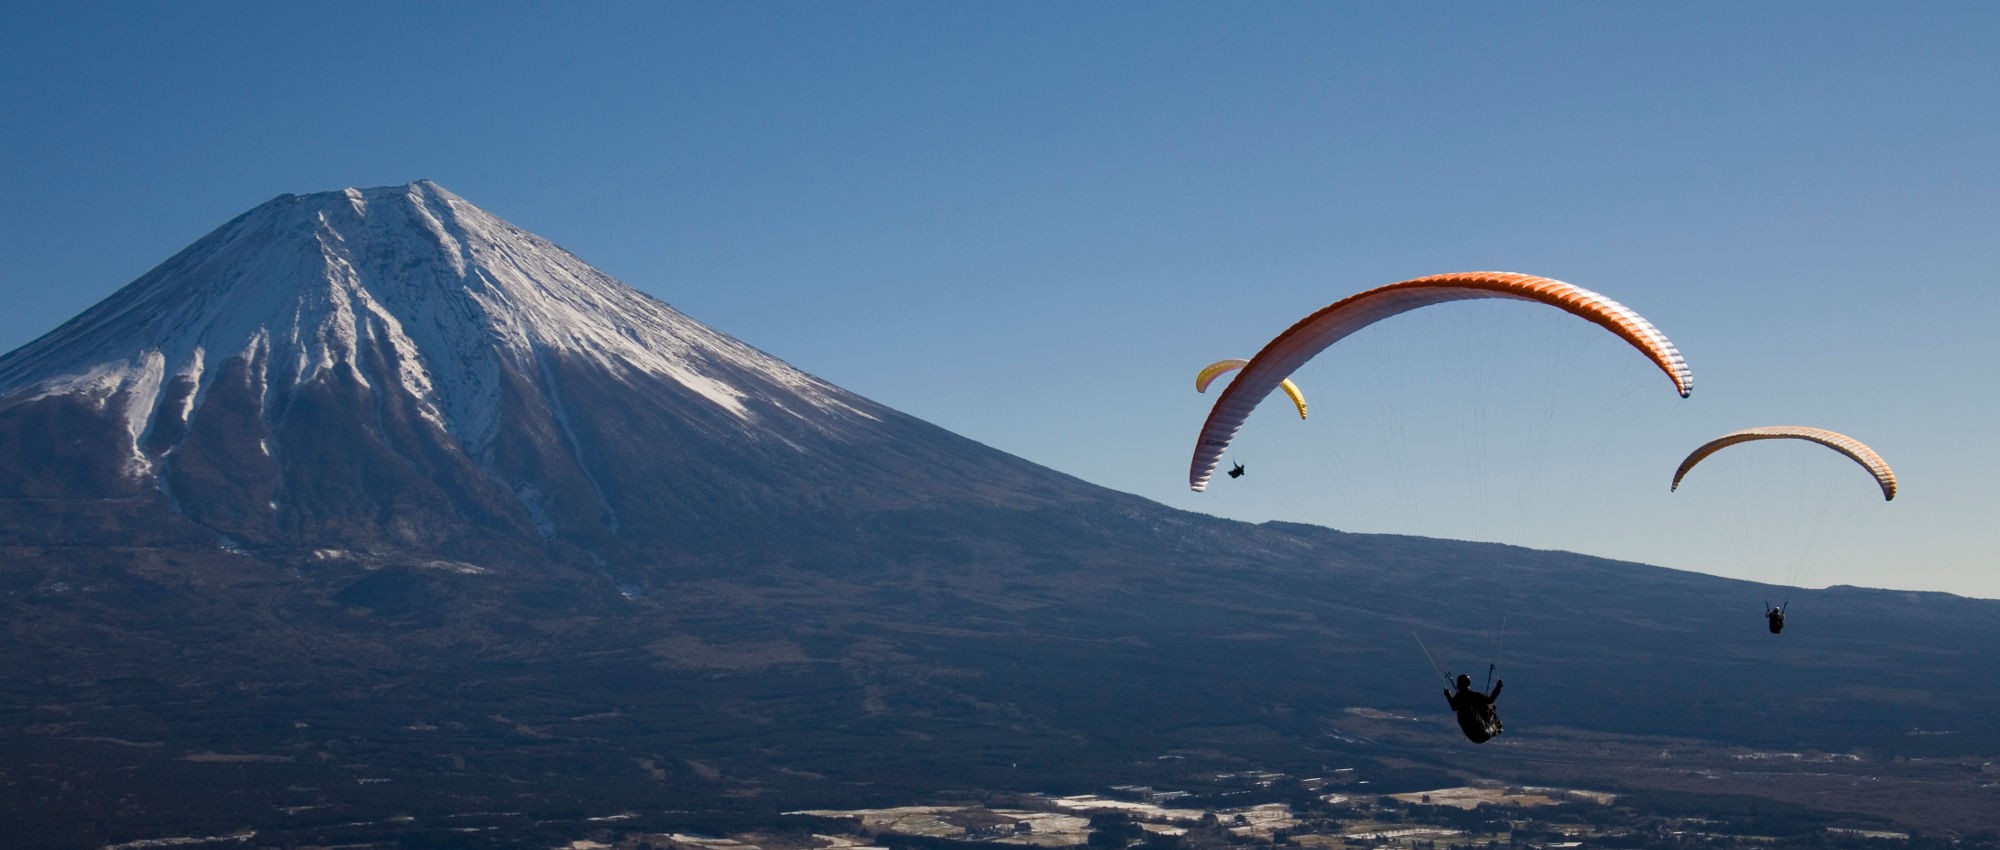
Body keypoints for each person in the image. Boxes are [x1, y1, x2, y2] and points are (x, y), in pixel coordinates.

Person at [1444, 673, 1503, 743]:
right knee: (1489, 709)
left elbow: (1453, 706)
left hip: (1472, 736)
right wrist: (1498, 687)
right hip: (1482, 733)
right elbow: (1490, 700)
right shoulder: (1473, 696)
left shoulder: (1458, 699)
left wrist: (1448, 694)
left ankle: (1494, 728)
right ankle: (1496, 729)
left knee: (1483, 708)